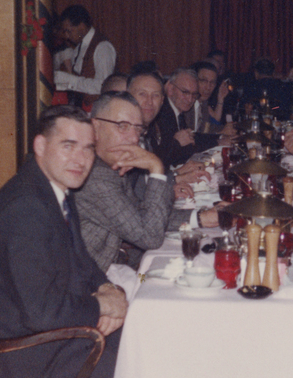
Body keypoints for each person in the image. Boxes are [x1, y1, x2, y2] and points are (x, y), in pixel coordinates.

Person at [0, 106, 127, 378]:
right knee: (151, 364)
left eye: (88, 149)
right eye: (68, 146)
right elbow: (42, 312)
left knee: (148, 336)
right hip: (35, 369)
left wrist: (109, 289)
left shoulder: (54, 191)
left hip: (57, 344)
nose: (80, 160)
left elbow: (82, 261)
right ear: (40, 146)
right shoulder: (27, 208)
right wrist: (100, 307)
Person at [76, 92, 220, 272]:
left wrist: (200, 217)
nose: (134, 138)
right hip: (96, 283)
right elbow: (150, 237)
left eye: (137, 129)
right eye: (122, 126)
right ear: (94, 127)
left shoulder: (110, 165)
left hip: (123, 267)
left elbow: (143, 218)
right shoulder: (95, 176)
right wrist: (156, 168)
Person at [151, 68, 230, 166]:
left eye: (194, 94)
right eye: (185, 92)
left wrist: (219, 138)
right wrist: (217, 142)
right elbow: (162, 157)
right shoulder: (161, 113)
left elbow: (193, 137)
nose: (190, 100)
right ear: (170, 89)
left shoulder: (177, 110)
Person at [54, 5, 117, 109]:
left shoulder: (102, 47)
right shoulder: (79, 47)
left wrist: (70, 80)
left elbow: (103, 86)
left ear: (82, 27)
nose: (66, 36)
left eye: (69, 31)